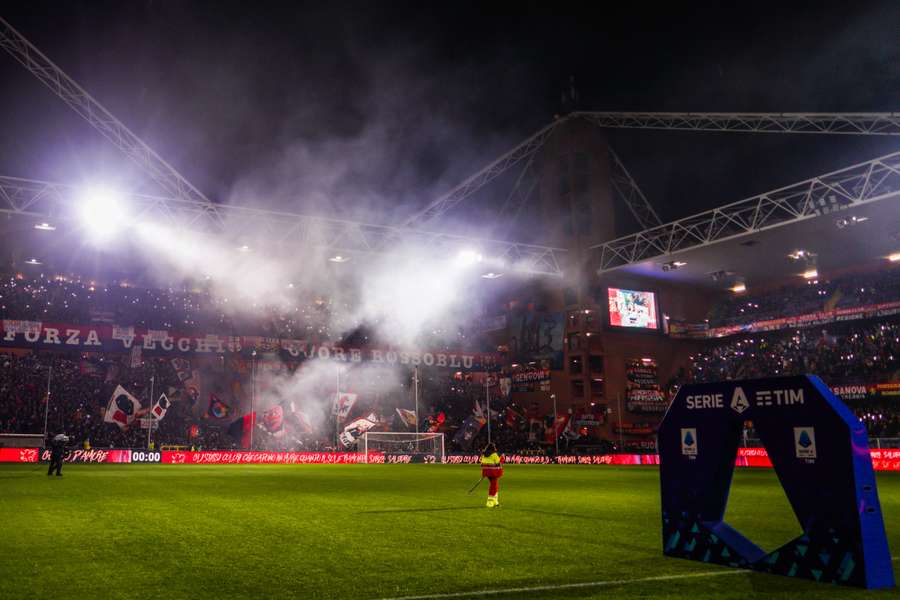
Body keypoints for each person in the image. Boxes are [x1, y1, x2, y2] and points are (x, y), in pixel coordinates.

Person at [480, 442, 503, 508]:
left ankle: (496, 502)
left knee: (495, 486)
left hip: (487, 473)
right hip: (494, 473)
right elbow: (498, 463)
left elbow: (482, 463)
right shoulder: (494, 455)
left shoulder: (484, 455)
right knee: (494, 486)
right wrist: (502, 459)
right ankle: (489, 502)